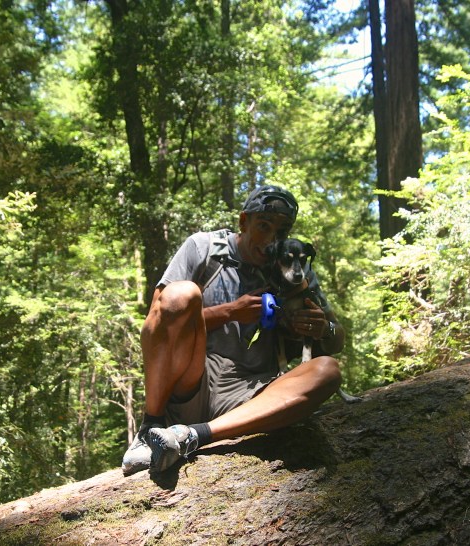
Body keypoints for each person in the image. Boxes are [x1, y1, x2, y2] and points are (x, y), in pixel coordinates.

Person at [122, 185, 345, 476]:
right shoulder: (204, 248)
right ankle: (150, 427)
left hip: (252, 393)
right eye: (263, 226)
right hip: (192, 381)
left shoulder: (294, 268)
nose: (270, 240)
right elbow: (159, 315)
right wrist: (231, 312)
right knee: (182, 294)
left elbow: (337, 338)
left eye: (281, 230)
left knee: (328, 371)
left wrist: (322, 327)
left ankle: (191, 436)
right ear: (243, 222)